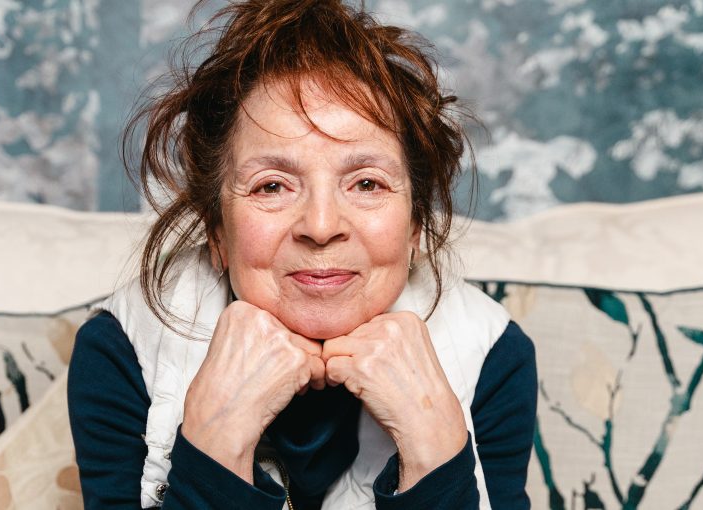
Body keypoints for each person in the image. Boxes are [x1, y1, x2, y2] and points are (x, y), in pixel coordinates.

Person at [67, 1, 537, 509]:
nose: (321, 226)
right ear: (217, 230)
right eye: (272, 186)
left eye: (366, 183)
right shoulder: (120, 349)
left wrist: (434, 450)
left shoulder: (494, 353)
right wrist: (215, 444)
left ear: (415, 226)